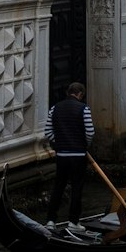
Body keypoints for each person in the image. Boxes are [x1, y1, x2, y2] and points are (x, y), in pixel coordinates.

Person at [45, 80, 95, 233]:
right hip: (78, 155)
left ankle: (50, 221)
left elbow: (48, 132)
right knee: (76, 188)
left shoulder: (55, 108)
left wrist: (60, 142)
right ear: (80, 94)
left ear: (68, 92)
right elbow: (90, 132)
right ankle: (73, 222)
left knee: (58, 187)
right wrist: (83, 145)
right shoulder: (84, 109)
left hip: (62, 154)